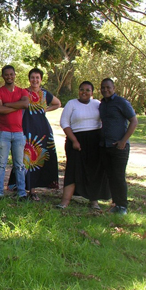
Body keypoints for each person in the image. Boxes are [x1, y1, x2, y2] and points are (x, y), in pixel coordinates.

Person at [57, 81, 110, 209]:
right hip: (76, 140)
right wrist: (74, 140)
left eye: (87, 90)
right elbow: (64, 123)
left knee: (94, 171)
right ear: (78, 91)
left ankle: (94, 201)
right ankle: (65, 202)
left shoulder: (97, 104)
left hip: (95, 141)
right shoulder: (71, 104)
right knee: (73, 170)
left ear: (92, 92)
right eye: (82, 89)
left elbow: (105, 120)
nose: (84, 92)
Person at [20, 68, 61, 200]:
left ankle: (35, 189)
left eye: (37, 77)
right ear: (29, 79)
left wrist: (44, 109)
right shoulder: (24, 92)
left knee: (42, 158)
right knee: (28, 159)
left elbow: (58, 103)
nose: (35, 80)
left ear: (41, 79)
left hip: (43, 130)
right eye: (32, 77)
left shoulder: (45, 94)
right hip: (28, 129)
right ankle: (26, 189)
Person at [99, 78, 138, 215]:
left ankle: (123, 206)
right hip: (105, 146)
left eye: (108, 87)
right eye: (103, 87)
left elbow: (134, 121)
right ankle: (115, 204)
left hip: (119, 147)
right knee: (110, 176)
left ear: (114, 88)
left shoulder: (121, 102)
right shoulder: (102, 104)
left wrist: (123, 140)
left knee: (119, 176)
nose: (105, 90)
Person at [0, 65, 29, 200]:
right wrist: (16, 105)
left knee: (19, 165)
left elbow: (25, 104)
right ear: (3, 76)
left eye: (11, 74)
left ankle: (22, 193)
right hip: (3, 132)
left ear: (15, 75)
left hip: (19, 133)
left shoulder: (22, 91)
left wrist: (7, 104)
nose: (9, 77)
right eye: (6, 75)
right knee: (1, 164)